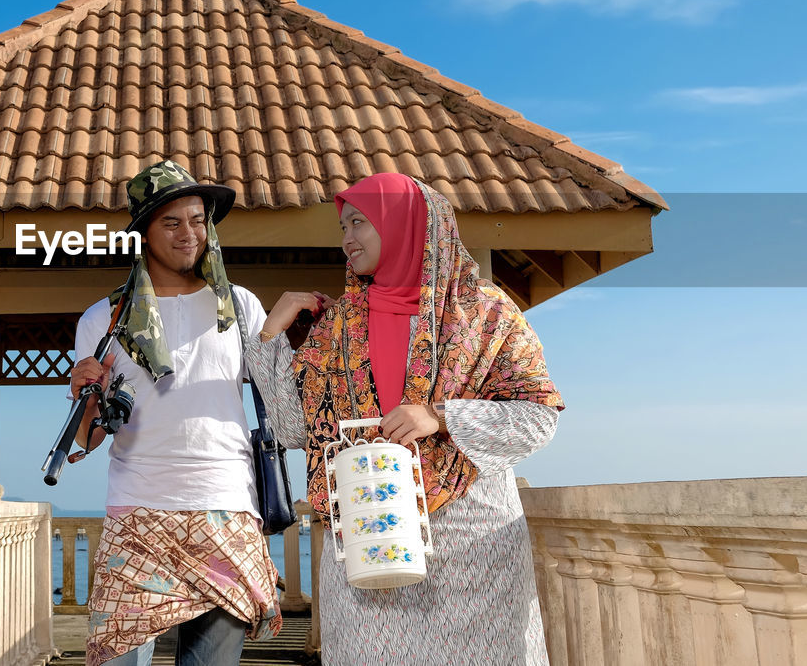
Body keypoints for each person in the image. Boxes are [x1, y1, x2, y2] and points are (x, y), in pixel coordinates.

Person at [247, 172, 565, 665]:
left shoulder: (484, 314)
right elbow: (294, 431)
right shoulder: (336, 328)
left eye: (360, 222)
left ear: (407, 225)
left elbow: (537, 419)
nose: (347, 238)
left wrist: (440, 416)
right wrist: (269, 336)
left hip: (472, 549)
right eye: (342, 226)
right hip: (365, 549)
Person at [68, 159, 282, 666]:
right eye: (172, 222)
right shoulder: (104, 319)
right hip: (137, 511)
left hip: (226, 509)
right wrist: (82, 390)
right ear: (143, 233)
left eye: (198, 220)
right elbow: (88, 439)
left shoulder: (241, 306)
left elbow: (282, 402)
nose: (190, 233)